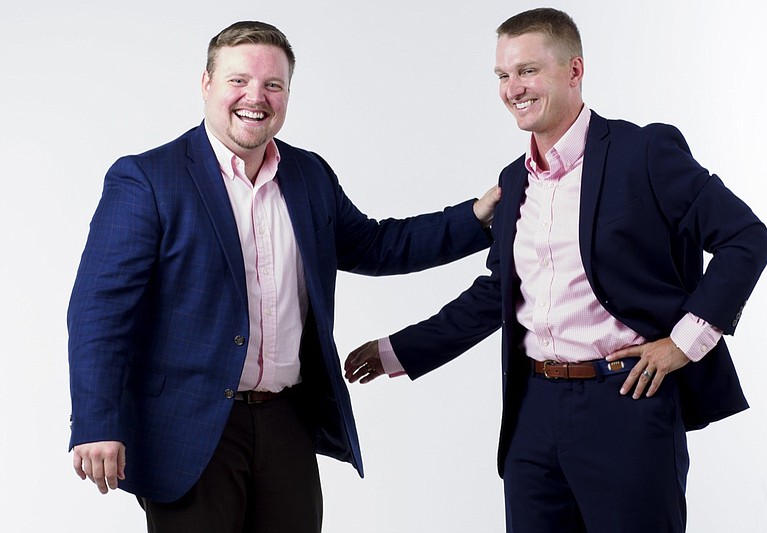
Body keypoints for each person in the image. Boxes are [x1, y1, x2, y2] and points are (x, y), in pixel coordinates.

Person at [344, 7, 767, 533]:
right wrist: (398, 350)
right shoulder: (514, 181)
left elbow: (745, 238)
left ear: (574, 71)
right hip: (533, 413)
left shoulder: (644, 153)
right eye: (502, 75)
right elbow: (497, 294)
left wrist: (684, 342)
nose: (512, 88)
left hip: (626, 402)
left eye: (527, 70)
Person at [67, 20, 499, 533]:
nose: (256, 97)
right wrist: (96, 422)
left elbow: (379, 245)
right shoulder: (147, 179)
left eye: (273, 85)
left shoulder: (308, 175)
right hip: (189, 428)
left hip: (286, 421)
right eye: (238, 81)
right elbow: (99, 311)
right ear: (206, 84)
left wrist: (477, 214)